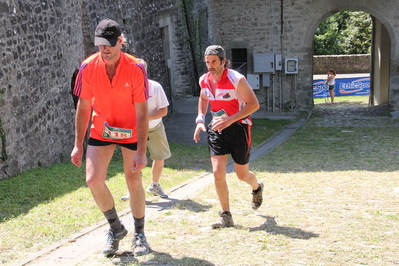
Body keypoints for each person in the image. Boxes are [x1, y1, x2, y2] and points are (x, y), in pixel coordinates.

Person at [70, 18, 150, 256]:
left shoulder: (136, 68)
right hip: (102, 128)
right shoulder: (87, 67)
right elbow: (83, 107)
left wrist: (142, 152)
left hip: (131, 130)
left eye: (109, 45)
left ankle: (140, 234)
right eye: (100, 45)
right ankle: (116, 229)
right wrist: (78, 145)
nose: (104, 50)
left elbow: (143, 112)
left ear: (120, 42)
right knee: (93, 179)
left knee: (133, 179)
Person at [193, 45, 264, 229]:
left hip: (239, 128)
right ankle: (226, 215)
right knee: (217, 172)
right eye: (207, 62)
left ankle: (256, 188)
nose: (210, 66)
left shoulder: (236, 79)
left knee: (242, 175)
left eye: (214, 62)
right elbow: (203, 98)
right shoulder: (204, 80)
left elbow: (254, 104)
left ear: (224, 61)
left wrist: (230, 120)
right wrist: (200, 120)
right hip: (217, 128)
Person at [121, 59, 171, 200]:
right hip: (134, 129)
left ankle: (155, 185)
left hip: (155, 128)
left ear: (145, 71)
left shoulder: (155, 87)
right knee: (133, 160)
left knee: (159, 157)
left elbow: (163, 111)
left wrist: (144, 118)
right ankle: (134, 190)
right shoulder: (126, 87)